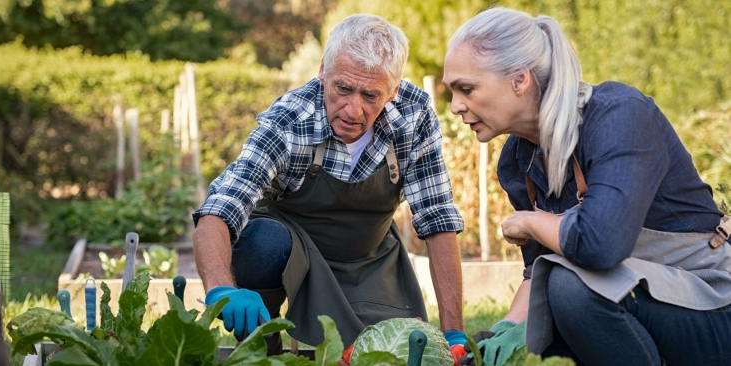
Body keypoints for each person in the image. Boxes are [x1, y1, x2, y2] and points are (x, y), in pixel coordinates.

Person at [443, 7, 731, 366]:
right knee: (539, 326)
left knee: (570, 289)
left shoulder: (619, 116)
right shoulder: (517, 161)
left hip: (710, 299)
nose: (455, 106)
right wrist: (503, 336)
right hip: (634, 299)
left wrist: (529, 222)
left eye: (466, 89)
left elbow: (600, 244)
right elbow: (539, 272)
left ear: (520, 79)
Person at [192, 13, 468, 357]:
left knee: (385, 355)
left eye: (371, 95)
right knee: (261, 243)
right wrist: (221, 289)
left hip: (369, 257)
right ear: (323, 70)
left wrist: (455, 331)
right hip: (292, 250)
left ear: (394, 91)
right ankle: (261, 348)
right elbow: (220, 207)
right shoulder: (290, 120)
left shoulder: (414, 114)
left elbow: (437, 217)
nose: (353, 109)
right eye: (342, 88)